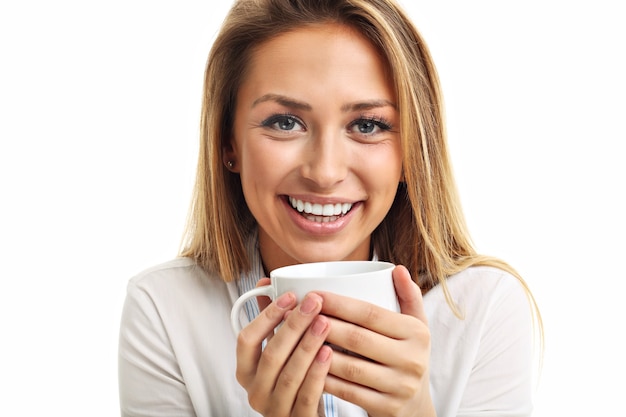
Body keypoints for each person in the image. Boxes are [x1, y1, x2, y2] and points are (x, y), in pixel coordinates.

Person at [118, 0, 543, 416]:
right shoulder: (163, 308)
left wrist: (413, 413)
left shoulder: (483, 308)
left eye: (367, 125)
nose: (324, 172)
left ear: (411, 151)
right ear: (228, 144)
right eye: (285, 122)